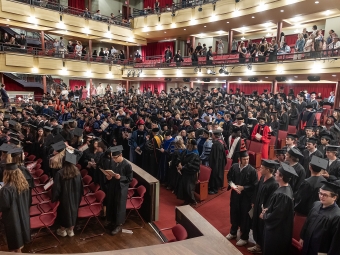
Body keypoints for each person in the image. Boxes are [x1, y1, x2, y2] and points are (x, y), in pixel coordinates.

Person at [261, 163, 296, 255]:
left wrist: (265, 215)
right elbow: (279, 208)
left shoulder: (282, 195)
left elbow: (277, 216)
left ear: (281, 176)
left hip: (277, 232)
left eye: (277, 173)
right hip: (280, 229)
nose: (275, 174)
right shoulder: (287, 188)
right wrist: (268, 209)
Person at [226, 151, 258, 246]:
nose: (246, 161)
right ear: (240, 159)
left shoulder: (252, 171)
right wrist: (233, 186)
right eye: (244, 159)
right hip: (235, 195)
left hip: (246, 198)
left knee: (245, 217)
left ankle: (244, 237)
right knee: (234, 213)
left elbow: (255, 185)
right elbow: (229, 178)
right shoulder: (234, 167)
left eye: (247, 159)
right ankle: (233, 232)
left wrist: (244, 188)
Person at [300, 181, 340, 255]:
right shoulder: (316, 204)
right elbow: (307, 222)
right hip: (308, 244)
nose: (321, 196)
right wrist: (302, 236)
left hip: (321, 250)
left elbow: (336, 242)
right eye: (320, 193)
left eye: (325, 195)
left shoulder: (337, 216)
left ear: (334, 197)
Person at [248, 159, 279, 254]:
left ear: (268, 170)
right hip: (257, 207)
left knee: (261, 228)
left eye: (262, 168)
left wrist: (265, 211)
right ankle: (257, 244)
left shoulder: (274, 184)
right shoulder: (262, 177)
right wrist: (253, 201)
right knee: (255, 225)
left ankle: (260, 246)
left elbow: (271, 201)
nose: (260, 169)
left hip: (264, 211)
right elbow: (257, 190)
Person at [0, 163, 31, 252]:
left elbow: (4, 206)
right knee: (22, 230)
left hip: (12, 217)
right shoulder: (24, 184)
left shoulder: (6, 189)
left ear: (6, 174)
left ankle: (18, 251)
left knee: (16, 236)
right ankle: (20, 248)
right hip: (24, 213)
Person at [52, 150, 83, 237]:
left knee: (64, 212)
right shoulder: (77, 172)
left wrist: (55, 198)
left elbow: (57, 188)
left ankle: (63, 231)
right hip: (76, 196)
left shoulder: (60, 173)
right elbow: (81, 186)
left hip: (64, 197)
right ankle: (71, 230)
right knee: (73, 212)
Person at [105, 145, 133, 235]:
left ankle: (118, 224)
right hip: (113, 186)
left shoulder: (127, 165)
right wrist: (109, 177)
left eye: (115, 158)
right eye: (112, 158)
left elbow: (130, 178)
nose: (113, 160)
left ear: (120, 155)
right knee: (111, 204)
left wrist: (121, 177)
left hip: (121, 188)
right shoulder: (113, 163)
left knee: (119, 206)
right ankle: (112, 222)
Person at [176, 139, 200, 205]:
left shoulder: (195, 154)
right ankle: (186, 200)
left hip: (191, 174)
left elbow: (192, 165)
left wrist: (183, 167)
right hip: (184, 173)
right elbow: (180, 157)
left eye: (188, 144)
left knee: (189, 188)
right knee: (183, 187)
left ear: (191, 145)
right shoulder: (186, 151)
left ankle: (193, 201)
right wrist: (179, 163)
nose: (186, 145)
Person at [208, 129, 227, 194]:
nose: (212, 135)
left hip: (216, 163)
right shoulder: (221, 141)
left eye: (212, 134)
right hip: (220, 162)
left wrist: (213, 164)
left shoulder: (216, 144)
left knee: (215, 174)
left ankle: (214, 189)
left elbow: (215, 156)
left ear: (215, 135)